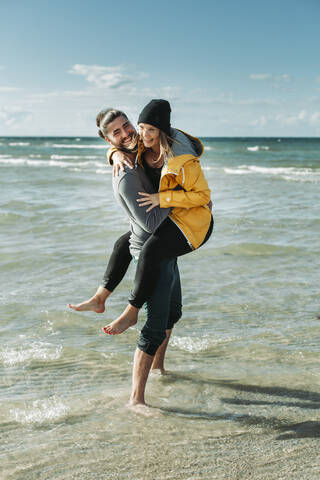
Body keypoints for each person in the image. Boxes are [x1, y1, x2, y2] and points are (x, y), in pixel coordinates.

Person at [69, 108, 183, 412]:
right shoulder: (125, 173)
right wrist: (181, 198)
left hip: (165, 247)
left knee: (172, 313)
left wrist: (114, 152)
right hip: (151, 251)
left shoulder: (137, 151)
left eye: (126, 126)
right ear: (108, 139)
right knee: (155, 324)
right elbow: (150, 224)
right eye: (116, 133)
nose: (126, 133)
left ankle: (158, 369)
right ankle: (136, 399)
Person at [103, 99, 213, 336]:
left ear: (161, 130)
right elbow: (118, 142)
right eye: (141, 127)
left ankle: (131, 310)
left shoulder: (181, 159)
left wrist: (164, 199)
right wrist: (114, 154)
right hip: (170, 216)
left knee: (150, 250)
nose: (142, 134)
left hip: (189, 222)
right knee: (125, 241)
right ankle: (101, 296)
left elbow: (203, 196)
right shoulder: (142, 143)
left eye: (150, 130)